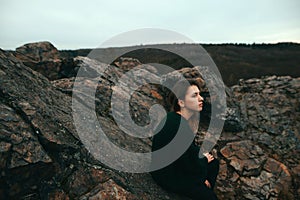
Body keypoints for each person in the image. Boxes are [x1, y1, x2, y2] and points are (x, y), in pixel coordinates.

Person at [150, 79, 219, 200]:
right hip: (169, 176)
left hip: (170, 168)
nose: (201, 99)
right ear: (181, 102)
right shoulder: (180, 126)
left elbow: (185, 152)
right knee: (210, 197)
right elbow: (186, 163)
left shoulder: (174, 118)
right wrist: (201, 174)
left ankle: (203, 185)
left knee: (213, 163)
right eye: (194, 95)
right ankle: (204, 188)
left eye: (199, 94)